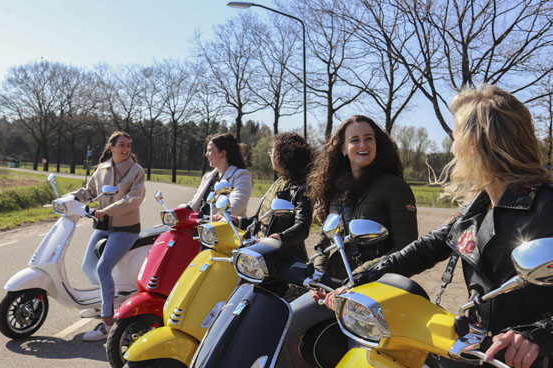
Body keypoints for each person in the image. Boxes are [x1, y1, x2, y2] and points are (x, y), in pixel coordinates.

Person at [321, 85, 553, 367]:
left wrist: (541, 333)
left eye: (455, 135)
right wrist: (355, 282)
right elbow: (422, 250)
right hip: (479, 350)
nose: (451, 145)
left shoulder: (546, 206)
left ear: (475, 143)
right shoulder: (476, 208)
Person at [278, 115, 418, 367]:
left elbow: (407, 249)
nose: (363, 145)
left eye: (369, 139)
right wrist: (318, 275)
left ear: (378, 144)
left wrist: (363, 276)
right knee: (278, 329)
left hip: (372, 297)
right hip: (332, 289)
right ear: (342, 148)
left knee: (359, 361)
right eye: (355, 140)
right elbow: (325, 239)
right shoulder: (337, 187)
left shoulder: (394, 187)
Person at [70, 131, 146, 342]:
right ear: (111, 147)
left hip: (126, 228)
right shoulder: (102, 169)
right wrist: (72, 197)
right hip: (104, 225)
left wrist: (108, 210)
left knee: (103, 268)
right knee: (88, 266)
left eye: (128, 145)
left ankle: (107, 322)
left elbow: (133, 199)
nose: (126, 148)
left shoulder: (136, 171)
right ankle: (104, 300)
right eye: (121, 144)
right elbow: (90, 191)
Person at [234, 132, 313, 261]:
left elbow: (302, 227)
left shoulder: (301, 188)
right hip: (262, 252)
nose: (270, 154)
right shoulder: (280, 182)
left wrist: (279, 238)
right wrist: (240, 221)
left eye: (272, 151)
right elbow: (263, 219)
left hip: (282, 260)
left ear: (285, 155)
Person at [186, 132, 252, 217]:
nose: (206, 155)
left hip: (223, 227)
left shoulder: (241, 175)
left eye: (210, 151)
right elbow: (193, 202)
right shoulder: (208, 176)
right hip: (198, 225)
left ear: (223, 153)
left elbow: (237, 204)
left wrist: (219, 217)